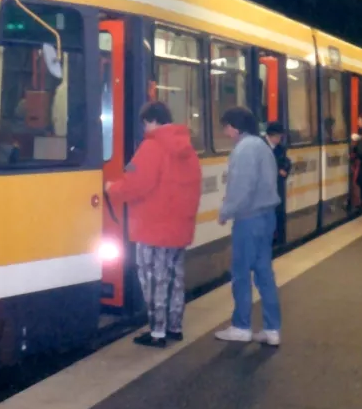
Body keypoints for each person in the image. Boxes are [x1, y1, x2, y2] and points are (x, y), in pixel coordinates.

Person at [105, 101, 201, 348]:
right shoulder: (188, 149)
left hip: (153, 227)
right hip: (179, 227)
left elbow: (135, 183)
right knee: (174, 279)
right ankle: (174, 327)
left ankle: (157, 333)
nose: (145, 128)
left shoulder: (151, 146)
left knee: (153, 279)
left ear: (151, 121)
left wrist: (111, 189)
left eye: (145, 123)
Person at [214, 106, 282, 347]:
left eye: (225, 127)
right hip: (266, 216)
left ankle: (241, 326)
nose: (225, 132)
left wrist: (226, 211)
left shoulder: (244, 149)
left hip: (249, 219)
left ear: (234, 126)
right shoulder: (262, 146)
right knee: (264, 273)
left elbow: (242, 187)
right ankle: (272, 329)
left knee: (241, 273)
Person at [264, 121, 291, 244]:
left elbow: (286, 162)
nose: (280, 139)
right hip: (266, 189)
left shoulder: (280, 148)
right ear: (272, 135)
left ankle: (278, 239)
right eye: (279, 136)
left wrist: (285, 169)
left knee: (279, 213)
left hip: (277, 187)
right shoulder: (260, 146)